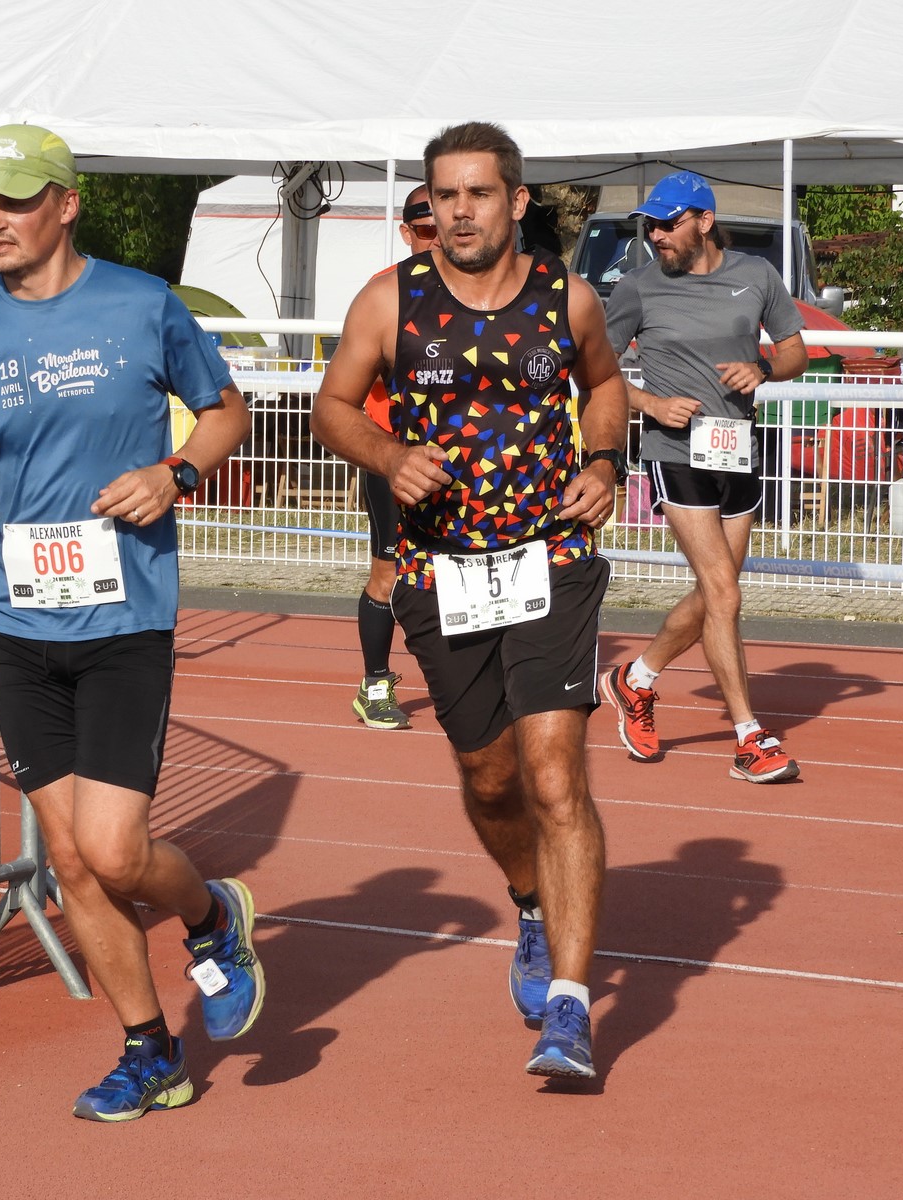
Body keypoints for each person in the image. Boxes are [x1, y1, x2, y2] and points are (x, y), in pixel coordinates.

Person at [0, 124, 263, 1122]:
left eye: (14, 202)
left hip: (122, 615)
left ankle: (212, 915)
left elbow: (227, 413)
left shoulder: (142, 304)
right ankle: (150, 1050)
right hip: (14, 617)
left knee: (111, 850)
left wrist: (173, 473)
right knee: (68, 861)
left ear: (66, 205)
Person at [312, 120, 630, 1080]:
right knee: (490, 777)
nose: (459, 212)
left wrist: (604, 462)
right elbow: (331, 406)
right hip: (438, 569)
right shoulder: (390, 300)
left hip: (550, 555)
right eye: (443, 196)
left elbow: (605, 385)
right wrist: (388, 455)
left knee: (553, 774)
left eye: (477, 194)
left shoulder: (566, 298)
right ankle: (530, 902)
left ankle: (569, 1008)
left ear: (516, 202)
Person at [598, 171, 808, 784]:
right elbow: (596, 372)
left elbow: (796, 352)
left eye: (667, 224)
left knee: (718, 593)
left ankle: (635, 679)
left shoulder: (757, 275)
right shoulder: (637, 288)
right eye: (650, 226)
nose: (655, 235)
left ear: (705, 222)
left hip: (736, 451)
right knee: (724, 592)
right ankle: (749, 738)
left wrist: (762, 369)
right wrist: (652, 405)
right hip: (674, 452)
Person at [351, 184, 439, 730]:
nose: (437, 239)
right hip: (394, 455)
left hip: (460, 460)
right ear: (407, 233)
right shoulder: (384, 293)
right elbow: (345, 390)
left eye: (444, 226)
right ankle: (375, 683)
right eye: (425, 230)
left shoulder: (483, 290)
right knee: (389, 570)